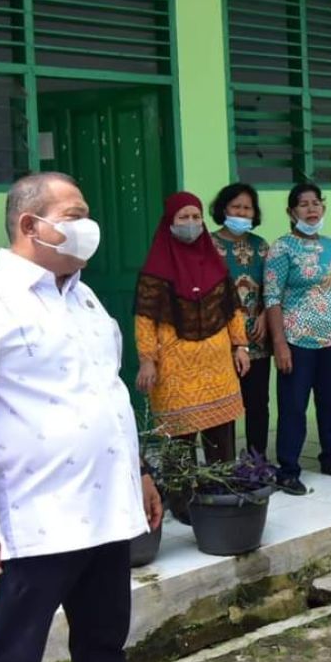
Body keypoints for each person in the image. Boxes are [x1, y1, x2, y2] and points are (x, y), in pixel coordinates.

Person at [0, 172, 163, 662]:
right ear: (31, 225)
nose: (90, 227)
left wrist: (140, 473)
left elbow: (109, 395)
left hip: (106, 518)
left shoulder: (86, 300)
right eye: (75, 216)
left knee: (104, 648)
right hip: (35, 526)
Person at [134, 193, 250, 470]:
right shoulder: (155, 269)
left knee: (221, 440)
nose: (191, 223)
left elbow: (232, 309)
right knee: (179, 445)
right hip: (175, 372)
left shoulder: (214, 263)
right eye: (183, 217)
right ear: (169, 223)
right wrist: (147, 359)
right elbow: (145, 318)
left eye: (196, 217)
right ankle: (182, 500)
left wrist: (241, 346)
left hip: (218, 369)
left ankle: (221, 497)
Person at [265, 182, 331, 495]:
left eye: (316, 203)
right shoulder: (281, 247)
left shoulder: (330, 245)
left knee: (329, 401)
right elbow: (272, 297)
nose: (311, 209)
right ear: (291, 212)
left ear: (324, 207)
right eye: (303, 204)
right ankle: (288, 468)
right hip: (296, 340)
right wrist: (279, 343)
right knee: (294, 405)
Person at [209, 183, 271, 459]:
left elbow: (273, 289)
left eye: (247, 208)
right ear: (224, 209)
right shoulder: (208, 245)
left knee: (257, 402)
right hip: (221, 341)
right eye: (236, 207)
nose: (242, 212)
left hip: (257, 340)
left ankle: (257, 459)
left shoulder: (261, 247)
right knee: (223, 404)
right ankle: (225, 461)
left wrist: (265, 315)